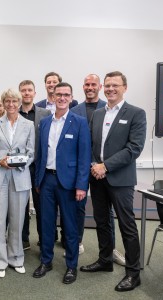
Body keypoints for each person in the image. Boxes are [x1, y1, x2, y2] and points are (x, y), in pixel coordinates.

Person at [80, 71, 147, 292]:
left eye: (115, 85)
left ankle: (133, 273)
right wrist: (94, 165)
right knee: (102, 221)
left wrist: (105, 166)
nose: (110, 89)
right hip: (97, 178)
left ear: (124, 88)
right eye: (107, 85)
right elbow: (90, 143)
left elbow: (134, 148)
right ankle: (105, 260)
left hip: (120, 179)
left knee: (127, 225)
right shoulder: (98, 114)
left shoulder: (136, 113)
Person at [32, 82, 91, 284]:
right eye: (59, 94)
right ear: (53, 96)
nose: (62, 98)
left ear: (71, 97)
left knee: (70, 226)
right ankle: (46, 261)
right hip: (46, 180)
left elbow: (84, 157)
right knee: (46, 224)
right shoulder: (45, 122)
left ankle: (71, 266)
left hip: (69, 183)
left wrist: (82, 185)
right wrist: (38, 179)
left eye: (66, 94)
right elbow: (40, 153)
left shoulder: (79, 122)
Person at [70, 74, 126, 265]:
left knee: (105, 214)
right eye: (87, 84)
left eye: (94, 84)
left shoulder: (108, 107)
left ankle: (110, 251)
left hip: (100, 169)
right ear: (83, 86)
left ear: (99, 86)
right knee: (77, 206)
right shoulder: (74, 109)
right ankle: (76, 243)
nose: (90, 87)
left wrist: (99, 166)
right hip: (79, 167)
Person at [0, 88, 35, 278]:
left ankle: (16, 258)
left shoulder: (28, 125)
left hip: (20, 177)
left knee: (17, 220)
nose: (11, 104)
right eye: (8, 101)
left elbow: (31, 153)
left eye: (14, 101)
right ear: (3, 104)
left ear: (20, 103)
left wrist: (19, 163)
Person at [18, 80, 51, 251]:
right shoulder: (13, 113)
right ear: (20, 93)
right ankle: (23, 239)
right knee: (21, 204)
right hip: (20, 167)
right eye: (23, 90)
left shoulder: (45, 114)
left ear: (34, 93)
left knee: (41, 205)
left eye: (29, 90)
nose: (26, 93)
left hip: (39, 167)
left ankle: (44, 239)